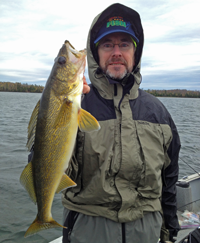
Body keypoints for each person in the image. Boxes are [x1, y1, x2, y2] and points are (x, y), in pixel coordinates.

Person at [62, 3, 181, 243]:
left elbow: (169, 179)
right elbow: (50, 169)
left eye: (124, 44)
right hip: (87, 232)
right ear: (96, 54)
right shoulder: (76, 106)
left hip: (146, 233)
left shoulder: (158, 112)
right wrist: (59, 110)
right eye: (107, 44)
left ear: (135, 53)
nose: (116, 51)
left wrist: (169, 229)